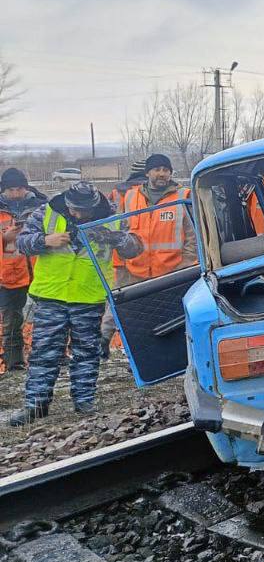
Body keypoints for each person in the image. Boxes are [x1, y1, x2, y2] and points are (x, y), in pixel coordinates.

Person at [9, 182, 142, 424]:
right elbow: (21, 243)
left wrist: (114, 238)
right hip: (51, 295)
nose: (77, 214)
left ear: (94, 205)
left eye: (83, 211)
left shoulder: (112, 217)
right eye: (73, 209)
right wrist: (45, 240)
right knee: (44, 353)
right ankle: (35, 405)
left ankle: (84, 402)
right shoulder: (46, 211)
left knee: (87, 352)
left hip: (88, 297)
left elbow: (134, 249)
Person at [100, 154, 195, 358]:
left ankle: (171, 357)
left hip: (170, 273)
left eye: (166, 169)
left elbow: (192, 237)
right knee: (123, 310)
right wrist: (122, 262)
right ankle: (106, 342)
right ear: (147, 172)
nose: (162, 174)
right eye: (157, 169)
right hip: (134, 269)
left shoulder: (184, 196)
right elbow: (120, 231)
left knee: (169, 319)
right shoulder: (131, 197)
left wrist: (184, 268)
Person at [0, 168, 45, 376]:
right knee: (11, 322)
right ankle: (14, 364)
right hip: (8, 275)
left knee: (48, 319)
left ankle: (49, 358)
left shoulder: (42, 206)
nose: (16, 193)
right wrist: (4, 239)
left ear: (26, 188)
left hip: (42, 273)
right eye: (11, 189)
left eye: (19, 188)